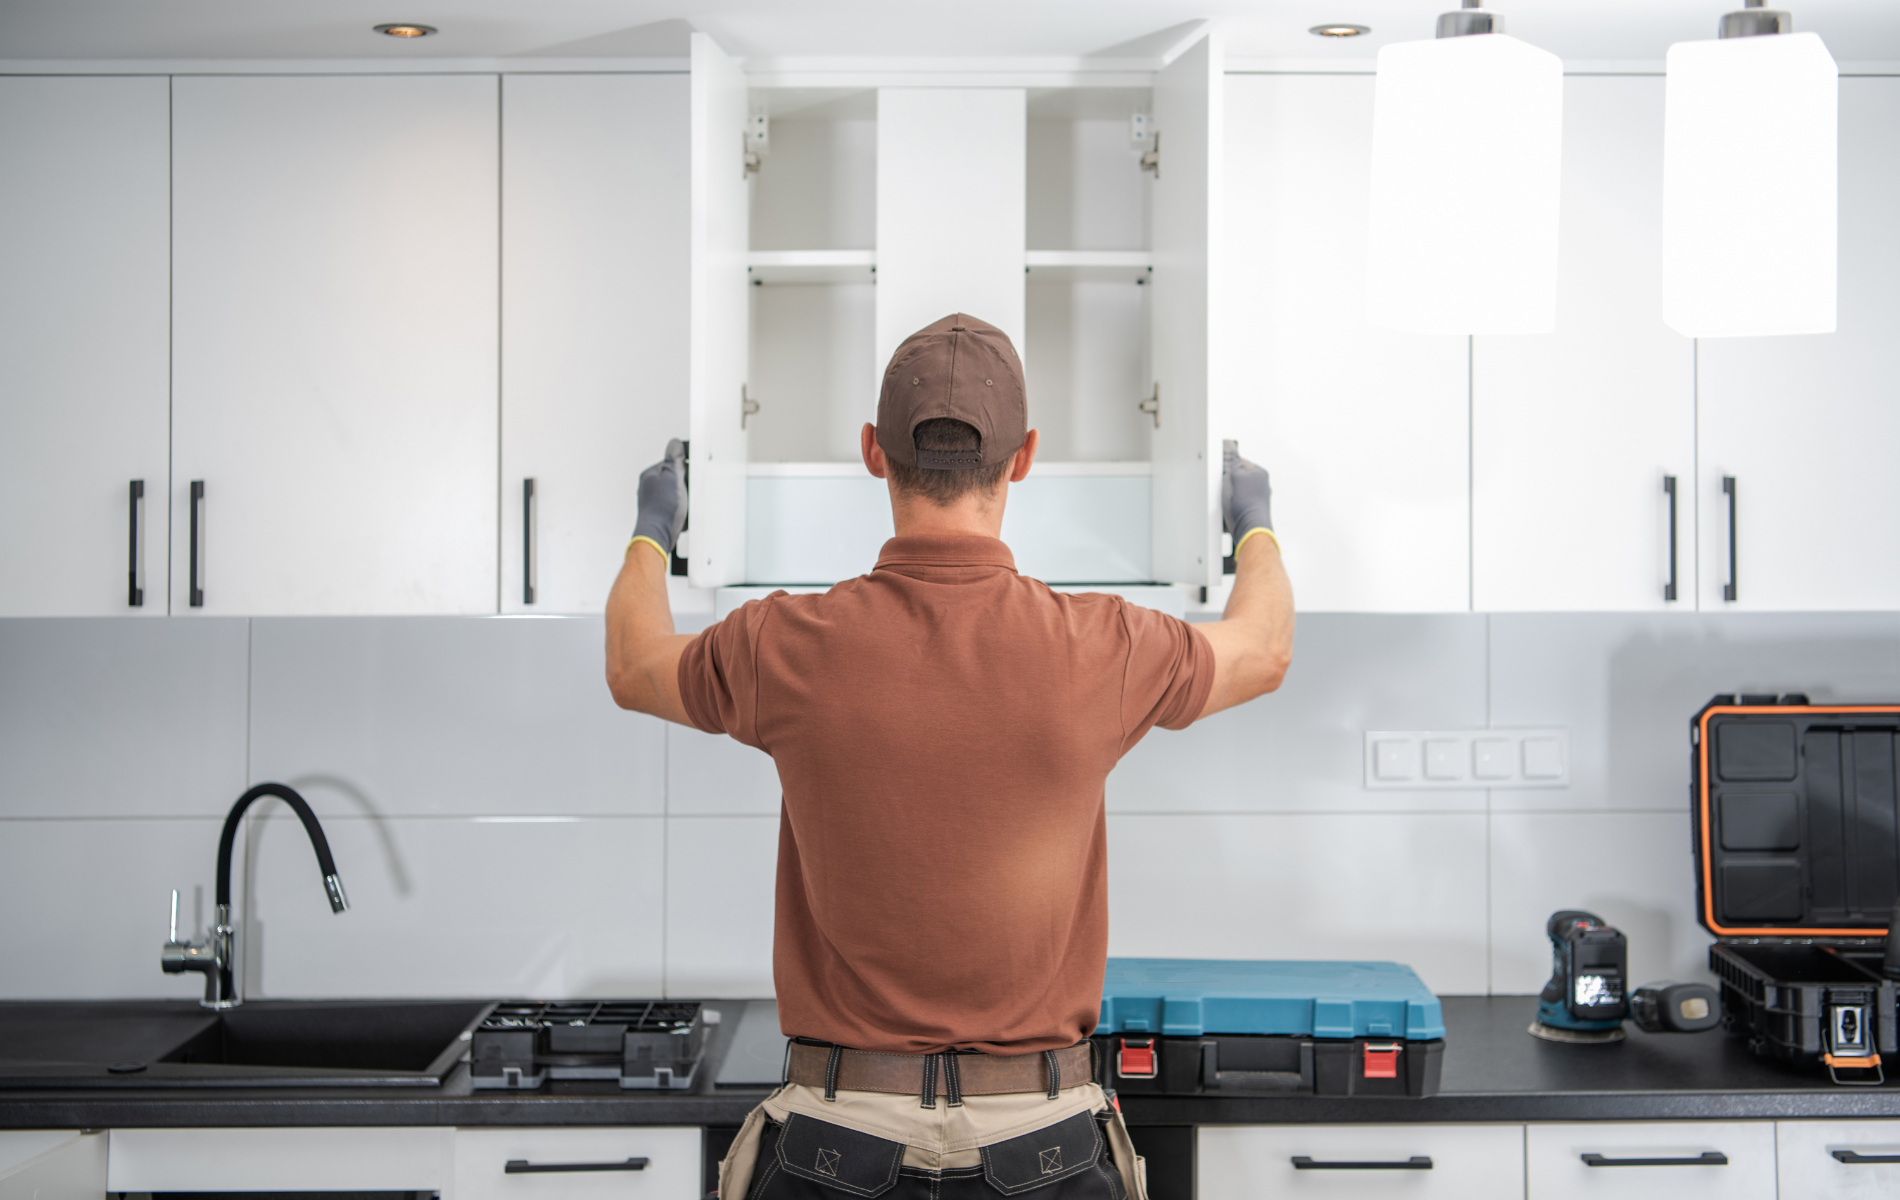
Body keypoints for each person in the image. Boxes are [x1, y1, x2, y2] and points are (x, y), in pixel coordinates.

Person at [606, 313, 1294, 1199]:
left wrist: (652, 529)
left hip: (835, 1144)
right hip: (1043, 1147)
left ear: (872, 451)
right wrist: (1256, 526)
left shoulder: (783, 644)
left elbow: (632, 665)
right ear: (1025, 456)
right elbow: (1263, 649)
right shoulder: (1104, 645)